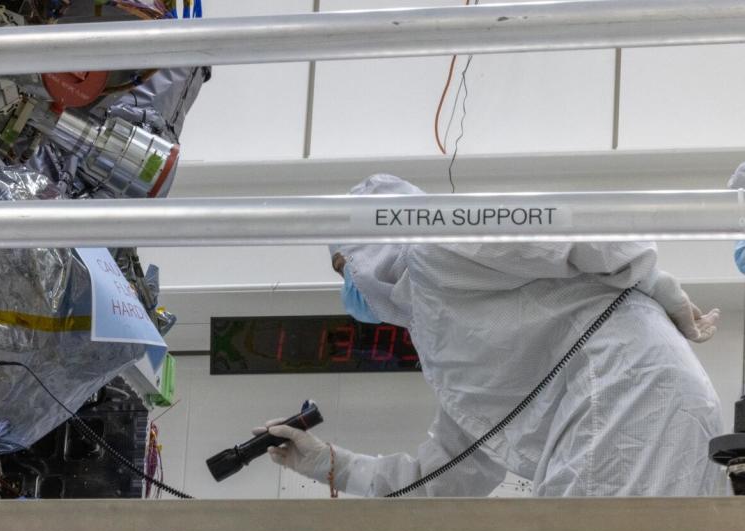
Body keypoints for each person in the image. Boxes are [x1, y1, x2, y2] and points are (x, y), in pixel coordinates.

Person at [258, 174, 726, 497]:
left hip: (627, 392)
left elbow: (577, 230)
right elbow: (445, 475)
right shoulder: (447, 345)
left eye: (345, 266)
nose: (350, 287)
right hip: (637, 405)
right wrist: (330, 464)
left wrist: (659, 286)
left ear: (373, 241)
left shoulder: (439, 244)